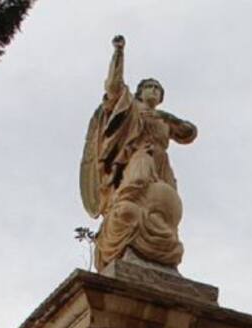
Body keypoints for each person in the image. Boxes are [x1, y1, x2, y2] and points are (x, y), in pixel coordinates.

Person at [80, 35, 198, 269]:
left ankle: (157, 240)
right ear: (140, 92)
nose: (153, 91)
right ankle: (123, 229)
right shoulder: (132, 106)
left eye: (158, 89)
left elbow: (189, 133)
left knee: (166, 209)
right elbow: (113, 87)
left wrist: (166, 117)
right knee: (134, 186)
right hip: (139, 154)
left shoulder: (163, 118)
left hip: (161, 162)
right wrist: (119, 53)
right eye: (149, 87)